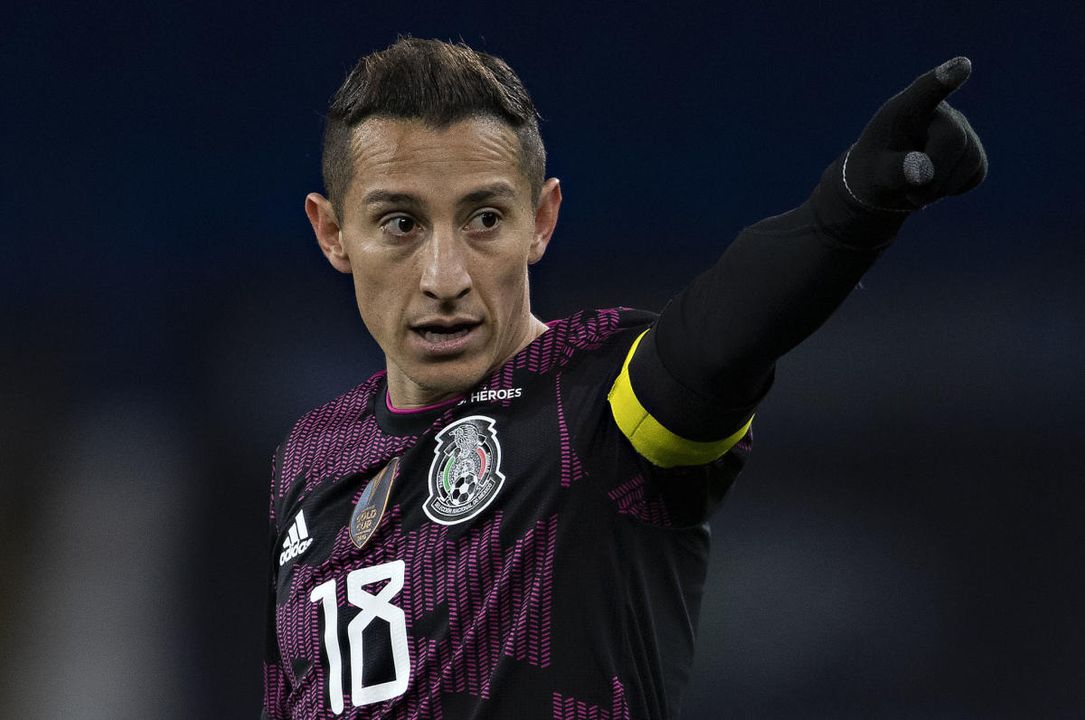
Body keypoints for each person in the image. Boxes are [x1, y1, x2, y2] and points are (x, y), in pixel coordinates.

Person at [263, 37, 986, 719]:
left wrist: (847, 211)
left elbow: (713, 345)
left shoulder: (591, 394)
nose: (444, 277)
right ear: (332, 232)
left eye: (484, 218)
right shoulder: (311, 454)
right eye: (400, 224)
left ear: (540, 220)